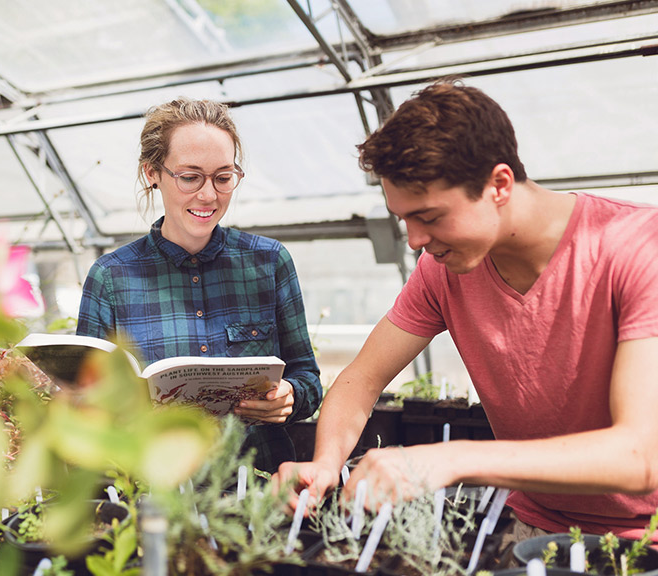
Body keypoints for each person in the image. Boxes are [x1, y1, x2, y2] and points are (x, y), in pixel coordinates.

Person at [275, 80, 658, 541]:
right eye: (404, 219)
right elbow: (361, 380)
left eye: (430, 217)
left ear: (499, 184)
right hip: (537, 528)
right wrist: (324, 466)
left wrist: (447, 459)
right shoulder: (443, 269)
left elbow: (640, 457)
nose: (414, 239)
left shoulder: (637, 249)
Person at [76, 97, 322, 473]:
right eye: (190, 177)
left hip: (258, 486)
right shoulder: (112, 277)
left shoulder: (269, 263)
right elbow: (85, 404)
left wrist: (290, 397)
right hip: (155, 493)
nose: (208, 195)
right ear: (152, 173)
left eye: (223, 178)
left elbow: (306, 376)